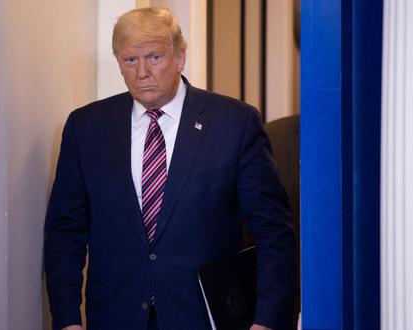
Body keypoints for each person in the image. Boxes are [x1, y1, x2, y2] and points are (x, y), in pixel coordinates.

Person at [44, 7, 295, 330]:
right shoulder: (86, 127)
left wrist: (267, 320)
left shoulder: (234, 124)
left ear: (179, 58)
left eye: (154, 57)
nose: (142, 72)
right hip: (115, 316)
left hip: (204, 317)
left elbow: (273, 229)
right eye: (130, 60)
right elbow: (66, 231)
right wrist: (66, 320)